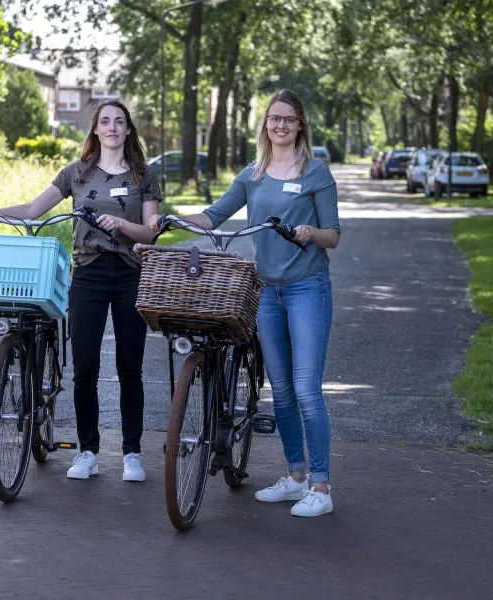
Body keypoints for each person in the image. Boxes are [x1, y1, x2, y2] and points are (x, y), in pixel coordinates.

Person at [150, 89, 339, 517]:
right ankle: (295, 478)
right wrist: (173, 219)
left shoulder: (316, 174)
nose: (281, 126)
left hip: (308, 287)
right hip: (267, 292)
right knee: (283, 392)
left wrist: (310, 232)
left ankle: (322, 487)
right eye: (274, 118)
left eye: (289, 119)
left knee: (307, 390)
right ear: (265, 124)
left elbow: (334, 235)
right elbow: (215, 215)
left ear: (300, 125)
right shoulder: (252, 173)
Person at [0, 100, 163, 482]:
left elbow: (151, 231)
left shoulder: (144, 175)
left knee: (129, 368)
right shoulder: (76, 173)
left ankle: (132, 454)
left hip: (131, 274)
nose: (113, 128)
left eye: (120, 122)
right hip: (87, 273)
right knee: (85, 368)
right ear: (96, 130)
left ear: (128, 129)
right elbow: (34, 209)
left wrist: (121, 224)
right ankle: (87, 451)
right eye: (105, 122)